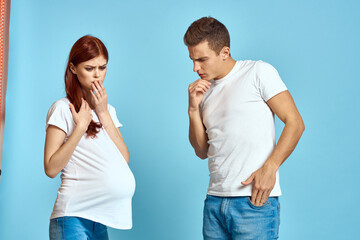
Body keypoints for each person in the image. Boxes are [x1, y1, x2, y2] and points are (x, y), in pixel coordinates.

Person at [184, 17, 305, 239]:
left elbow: (295, 122)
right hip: (214, 200)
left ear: (224, 52)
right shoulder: (205, 91)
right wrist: (193, 110)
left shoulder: (258, 72)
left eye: (202, 59)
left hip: (253, 202)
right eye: (192, 60)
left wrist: (270, 168)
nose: (195, 68)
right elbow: (202, 151)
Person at [44, 35, 135, 240]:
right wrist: (81, 126)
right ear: (73, 68)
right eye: (89, 68)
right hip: (72, 217)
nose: (97, 76)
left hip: (99, 221)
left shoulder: (108, 110)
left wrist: (102, 113)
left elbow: (124, 158)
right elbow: (50, 168)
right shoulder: (62, 109)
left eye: (102, 68)